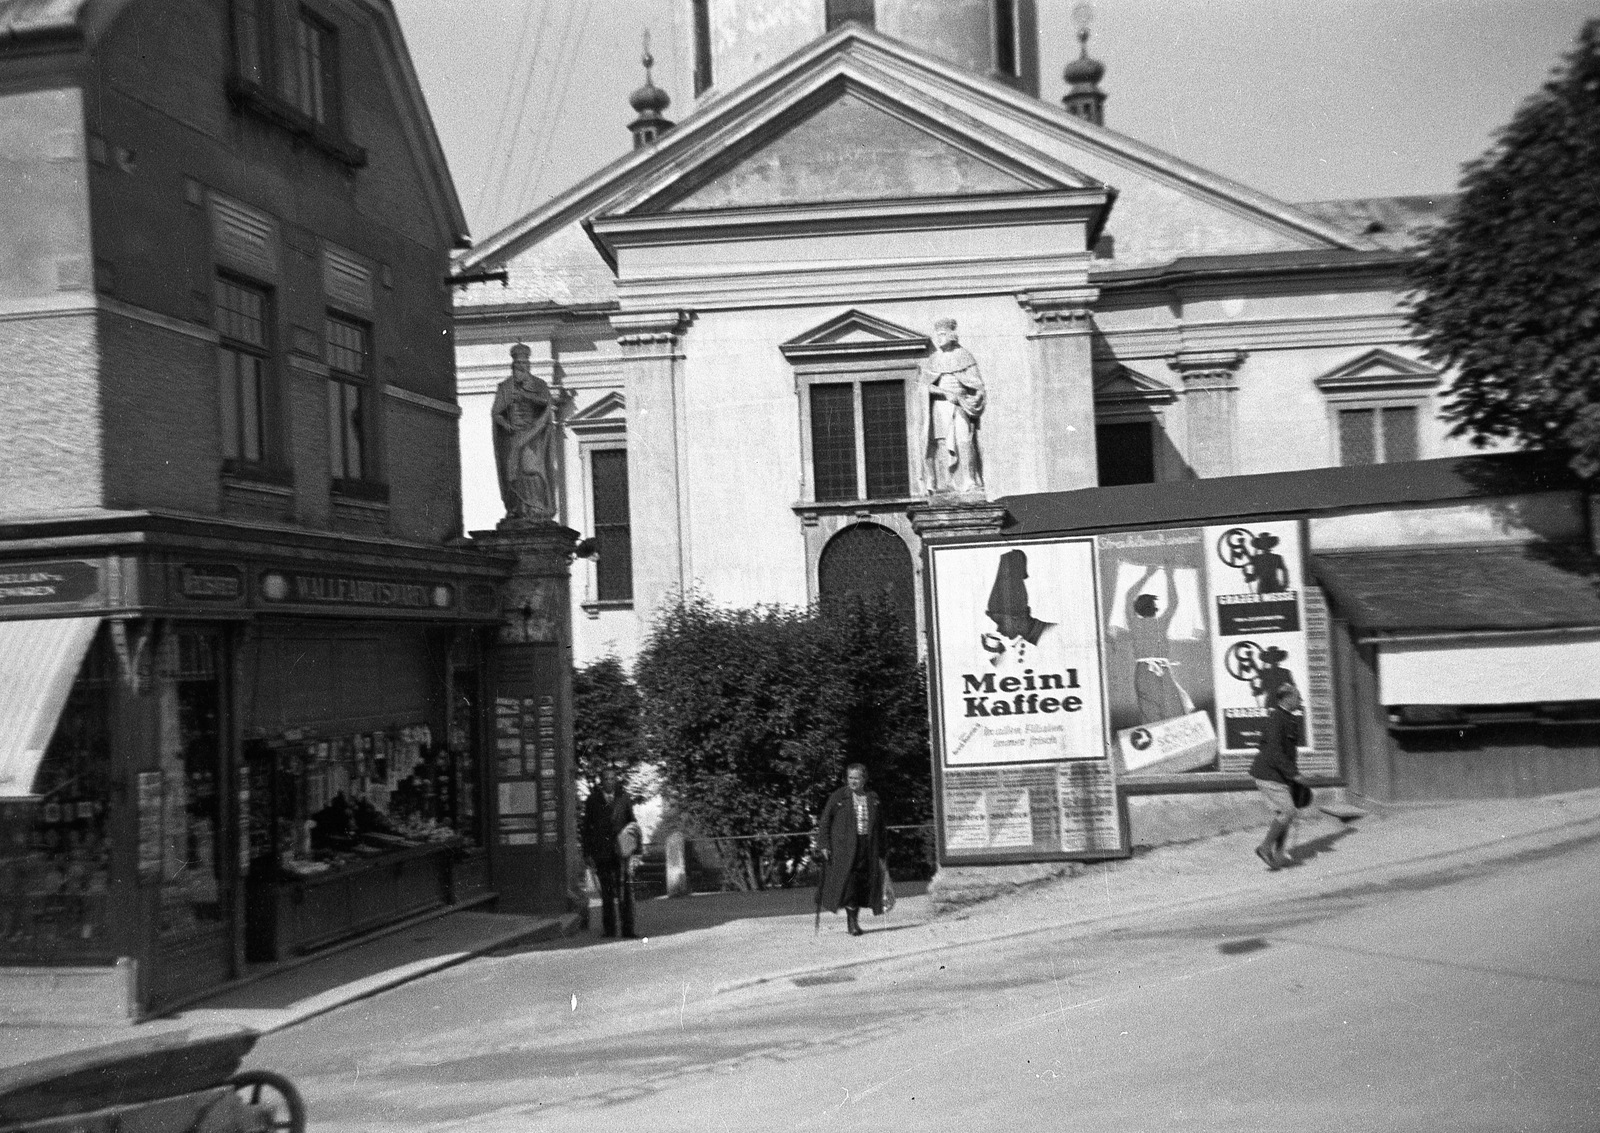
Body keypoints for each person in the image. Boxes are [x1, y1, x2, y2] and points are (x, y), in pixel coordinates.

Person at [491, 343, 571, 522]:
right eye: (517, 364)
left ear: (528, 365)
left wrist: (526, 397)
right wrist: (506, 425)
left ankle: (536, 506)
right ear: (513, 366)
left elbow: (545, 403)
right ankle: (518, 508)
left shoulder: (539, 384)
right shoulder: (505, 387)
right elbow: (496, 412)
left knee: (532, 469)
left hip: (534, 435)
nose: (520, 367)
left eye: (524, 363)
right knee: (514, 472)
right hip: (514, 436)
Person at [812, 764, 886, 937]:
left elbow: (881, 826)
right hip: (844, 848)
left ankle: (854, 919)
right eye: (850, 777)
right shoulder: (839, 797)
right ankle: (852, 923)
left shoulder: (872, 797)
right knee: (850, 884)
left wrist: (882, 849)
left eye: (857, 778)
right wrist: (823, 845)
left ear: (864, 779)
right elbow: (825, 822)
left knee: (861, 883)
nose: (853, 781)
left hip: (867, 847)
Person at [921, 318, 986, 497]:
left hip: (962, 405)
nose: (939, 339)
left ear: (951, 335)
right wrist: (944, 392)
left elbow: (977, 383)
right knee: (942, 443)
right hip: (941, 406)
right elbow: (926, 386)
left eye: (942, 335)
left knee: (964, 441)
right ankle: (947, 482)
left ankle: (969, 480)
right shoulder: (934, 359)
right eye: (938, 335)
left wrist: (975, 396)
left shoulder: (964, 356)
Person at [1249, 684, 1306, 870]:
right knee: (1288, 812)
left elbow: (1285, 751)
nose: (1300, 701)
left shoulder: (1287, 718)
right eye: (1297, 697)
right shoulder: (1277, 719)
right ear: (1287, 699)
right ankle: (1265, 848)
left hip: (1278, 775)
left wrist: (1290, 775)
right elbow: (1273, 751)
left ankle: (1278, 855)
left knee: (1284, 814)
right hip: (1270, 775)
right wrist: (1293, 774)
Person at [581, 767, 638, 938]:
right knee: (606, 893)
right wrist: (587, 853)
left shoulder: (624, 798)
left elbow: (632, 824)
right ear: (601, 781)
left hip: (622, 853)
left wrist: (635, 850)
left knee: (625, 893)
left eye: (613, 778)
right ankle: (610, 930)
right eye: (606, 778)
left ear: (616, 780)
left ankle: (628, 930)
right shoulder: (592, 800)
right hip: (602, 853)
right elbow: (586, 829)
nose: (609, 782)